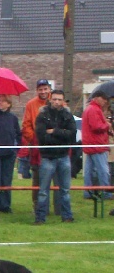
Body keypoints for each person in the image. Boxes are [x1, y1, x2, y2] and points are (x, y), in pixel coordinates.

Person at [34, 89, 76, 224]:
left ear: (63, 101)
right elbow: (41, 136)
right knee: (43, 191)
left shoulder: (68, 115)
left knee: (65, 190)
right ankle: (40, 218)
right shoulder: (42, 115)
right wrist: (61, 134)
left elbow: (72, 135)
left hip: (64, 156)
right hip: (47, 157)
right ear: (50, 99)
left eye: (59, 99)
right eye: (55, 99)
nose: (57, 102)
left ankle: (67, 217)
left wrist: (54, 131)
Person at [21, 79, 52, 211]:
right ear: (37, 90)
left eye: (45, 89)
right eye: (40, 89)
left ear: (49, 89)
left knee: (57, 179)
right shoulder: (31, 104)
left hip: (54, 144)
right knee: (37, 178)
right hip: (37, 146)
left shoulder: (55, 102)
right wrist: (34, 138)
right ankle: (37, 206)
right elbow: (26, 125)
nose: (43, 91)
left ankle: (59, 209)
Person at [0, 94, 21, 213]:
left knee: (7, 180)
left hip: (9, 154)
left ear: (9, 104)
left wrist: (16, 149)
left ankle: (5, 205)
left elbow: (18, 134)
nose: (0, 103)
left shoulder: (13, 118)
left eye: (3, 101)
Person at [81, 90, 114, 200]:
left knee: (89, 170)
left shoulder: (90, 109)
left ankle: (88, 192)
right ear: (97, 98)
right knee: (103, 170)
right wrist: (107, 125)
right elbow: (97, 127)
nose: (105, 102)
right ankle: (106, 192)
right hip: (97, 144)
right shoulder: (94, 110)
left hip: (90, 144)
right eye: (104, 99)